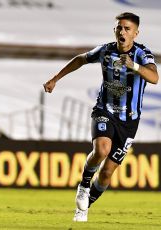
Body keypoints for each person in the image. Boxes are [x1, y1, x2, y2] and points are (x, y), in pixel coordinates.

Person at [43, 12, 158, 222]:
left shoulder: (142, 54)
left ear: (135, 33)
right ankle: (84, 185)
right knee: (101, 149)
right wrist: (55, 79)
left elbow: (154, 77)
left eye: (127, 29)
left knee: (106, 174)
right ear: (114, 30)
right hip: (104, 110)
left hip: (130, 121)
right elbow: (80, 59)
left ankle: (84, 208)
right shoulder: (105, 50)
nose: (122, 32)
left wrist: (133, 65)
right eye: (119, 28)